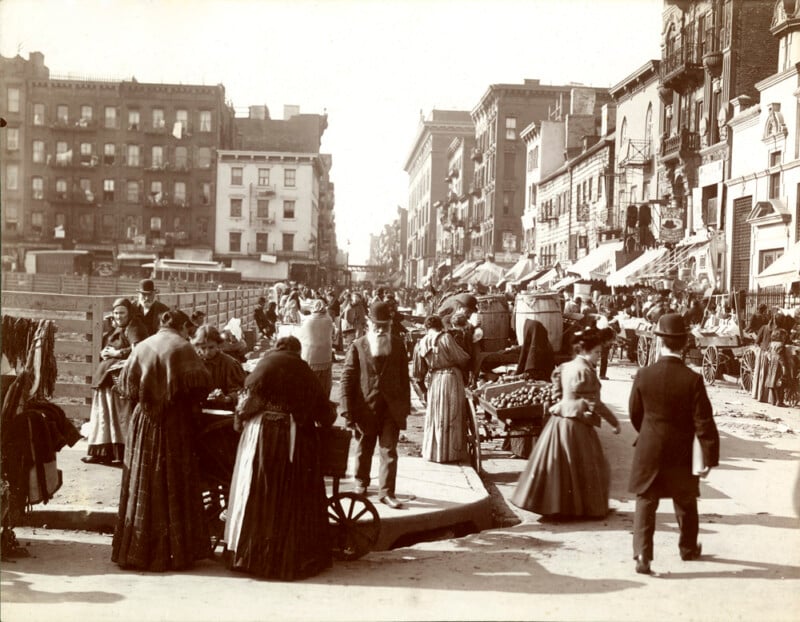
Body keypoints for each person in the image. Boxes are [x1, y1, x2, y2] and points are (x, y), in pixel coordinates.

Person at [224, 336, 335, 581]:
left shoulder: (265, 365)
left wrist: (239, 419)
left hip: (262, 436)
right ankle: (288, 557)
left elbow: (247, 403)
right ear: (297, 351)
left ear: (277, 348)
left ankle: (253, 556)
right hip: (293, 439)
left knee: (257, 489)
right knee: (291, 495)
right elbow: (323, 411)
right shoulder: (304, 370)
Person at [112, 309, 212, 571]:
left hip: (144, 422)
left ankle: (137, 550)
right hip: (174, 423)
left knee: (142, 481)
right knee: (173, 481)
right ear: (181, 327)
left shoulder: (143, 345)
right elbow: (202, 385)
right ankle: (175, 551)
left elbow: (125, 387)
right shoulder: (183, 347)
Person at [628, 313, 720, 575]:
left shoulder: (643, 375)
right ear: (683, 344)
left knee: (645, 500)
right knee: (686, 499)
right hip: (681, 450)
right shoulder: (693, 379)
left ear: (661, 343)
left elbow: (635, 413)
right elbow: (704, 421)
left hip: (649, 447)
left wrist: (649, 433)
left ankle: (643, 554)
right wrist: (709, 456)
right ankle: (688, 548)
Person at [511, 326, 620, 519]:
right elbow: (595, 403)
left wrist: (564, 403)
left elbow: (556, 394)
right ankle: (580, 509)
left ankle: (558, 507)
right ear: (584, 351)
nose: (598, 356)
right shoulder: (585, 371)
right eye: (596, 352)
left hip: (558, 422)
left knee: (558, 465)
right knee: (588, 466)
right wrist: (614, 422)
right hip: (576, 425)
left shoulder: (565, 368)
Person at [339, 300, 411, 509]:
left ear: (390, 325)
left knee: (389, 451)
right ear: (368, 324)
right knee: (364, 448)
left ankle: (387, 492)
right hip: (366, 408)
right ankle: (361, 483)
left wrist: (405, 408)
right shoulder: (358, 346)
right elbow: (347, 379)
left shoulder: (398, 345)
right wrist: (347, 411)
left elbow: (404, 378)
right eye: (376, 325)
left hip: (391, 408)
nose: (380, 330)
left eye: (385, 326)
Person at [83, 298, 147, 464]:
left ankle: (121, 454)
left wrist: (116, 354)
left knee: (119, 415)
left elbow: (138, 350)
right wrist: (105, 352)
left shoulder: (134, 326)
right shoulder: (116, 329)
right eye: (116, 313)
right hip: (106, 377)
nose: (119, 316)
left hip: (120, 378)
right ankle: (102, 451)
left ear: (129, 313)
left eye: (122, 313)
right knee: (104, 414)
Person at [412, 315, 470, 463]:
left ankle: (435, 453)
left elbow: (418, 373)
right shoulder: (446, 338)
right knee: (452, 414)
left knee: (436, 415)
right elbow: (462, 358)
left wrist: (424, 390)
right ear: (440, 326)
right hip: (451, 378)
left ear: (426, 328)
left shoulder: (422, 342)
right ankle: (452, 453)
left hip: (435, 380)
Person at [191, 325, 246, 400]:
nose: (207, 352)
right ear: (197, 347)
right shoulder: (193, 364)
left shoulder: (230, 364)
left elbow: (242, 391)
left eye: (211, 347)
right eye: (203, 348)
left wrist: (227, 398)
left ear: (218, 345)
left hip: (225, 408)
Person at [296, 298, 334, 398]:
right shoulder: (328, 320)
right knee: (324, 382)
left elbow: (301, 336)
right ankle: (324, 400)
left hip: (310, 356)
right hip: (325, 355)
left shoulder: (308, 321)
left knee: (311, 381)